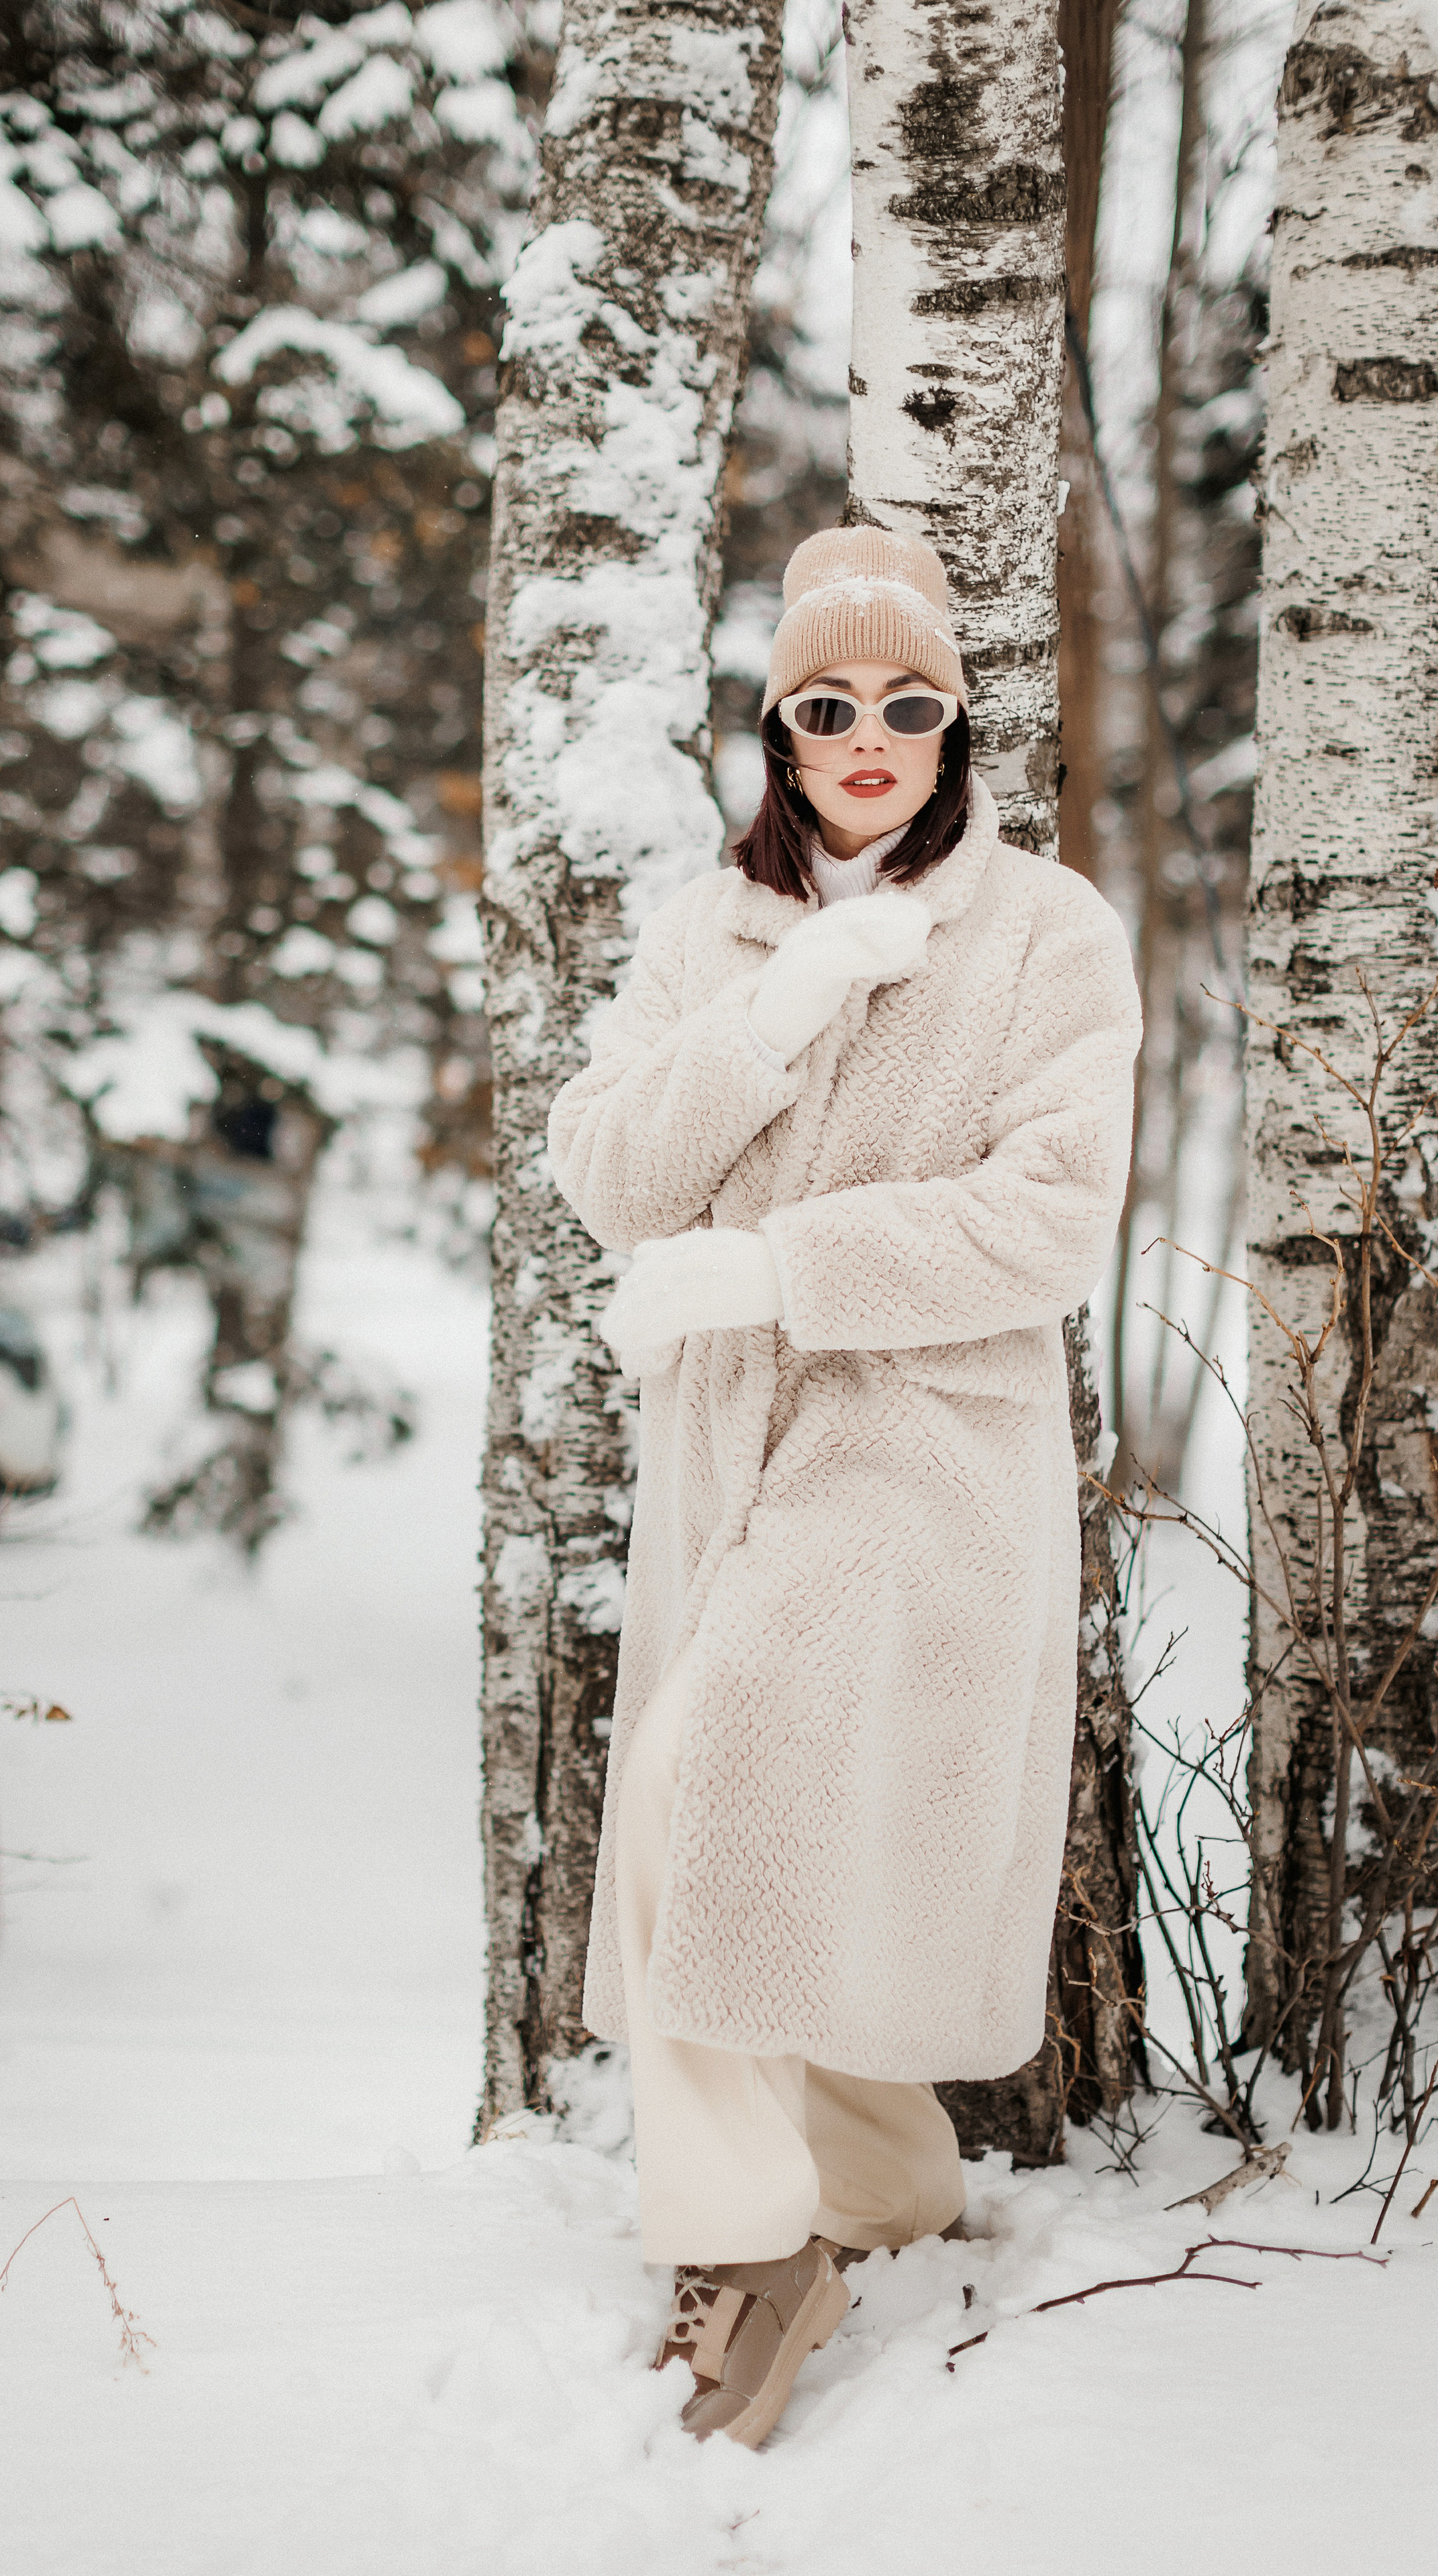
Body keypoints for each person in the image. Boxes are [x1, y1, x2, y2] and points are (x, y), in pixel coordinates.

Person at [546, 523, 1141, 2451]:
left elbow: (1049, 1222)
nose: (868, 737)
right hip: (727, 1454)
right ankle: (883, 2181)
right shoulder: (700, 930)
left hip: (924, 1443)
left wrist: (784, 1269)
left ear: (954, 720)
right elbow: (614, 1175)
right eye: (828, 705)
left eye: (907, 703)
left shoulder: (1048, 932)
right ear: (779, 728)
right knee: (747, 1817)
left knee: (707, 1791)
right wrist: (786, 1009)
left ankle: (752, 2249)